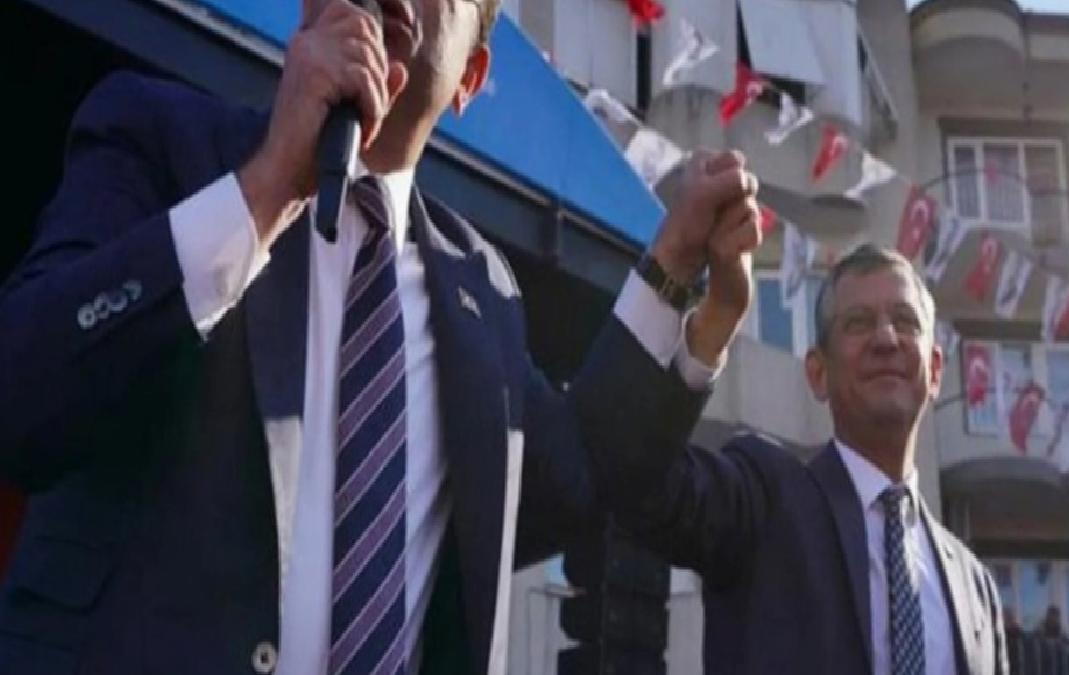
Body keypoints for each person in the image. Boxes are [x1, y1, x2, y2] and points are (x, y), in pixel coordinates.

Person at [0, 0, 765, 672]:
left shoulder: (481, 289)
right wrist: (267, 188)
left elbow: (581, 466)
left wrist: (676, 271)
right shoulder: (161, 140)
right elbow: (24, 392)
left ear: (470, 78)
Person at [620, 244, 1008, 674]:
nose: (886, 339)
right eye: (858, 323)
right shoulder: (763, 504)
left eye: (905, 321)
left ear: (935, 371)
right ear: (818, 373)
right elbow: (632, 475)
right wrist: (703, 327)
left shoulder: (975, 589)